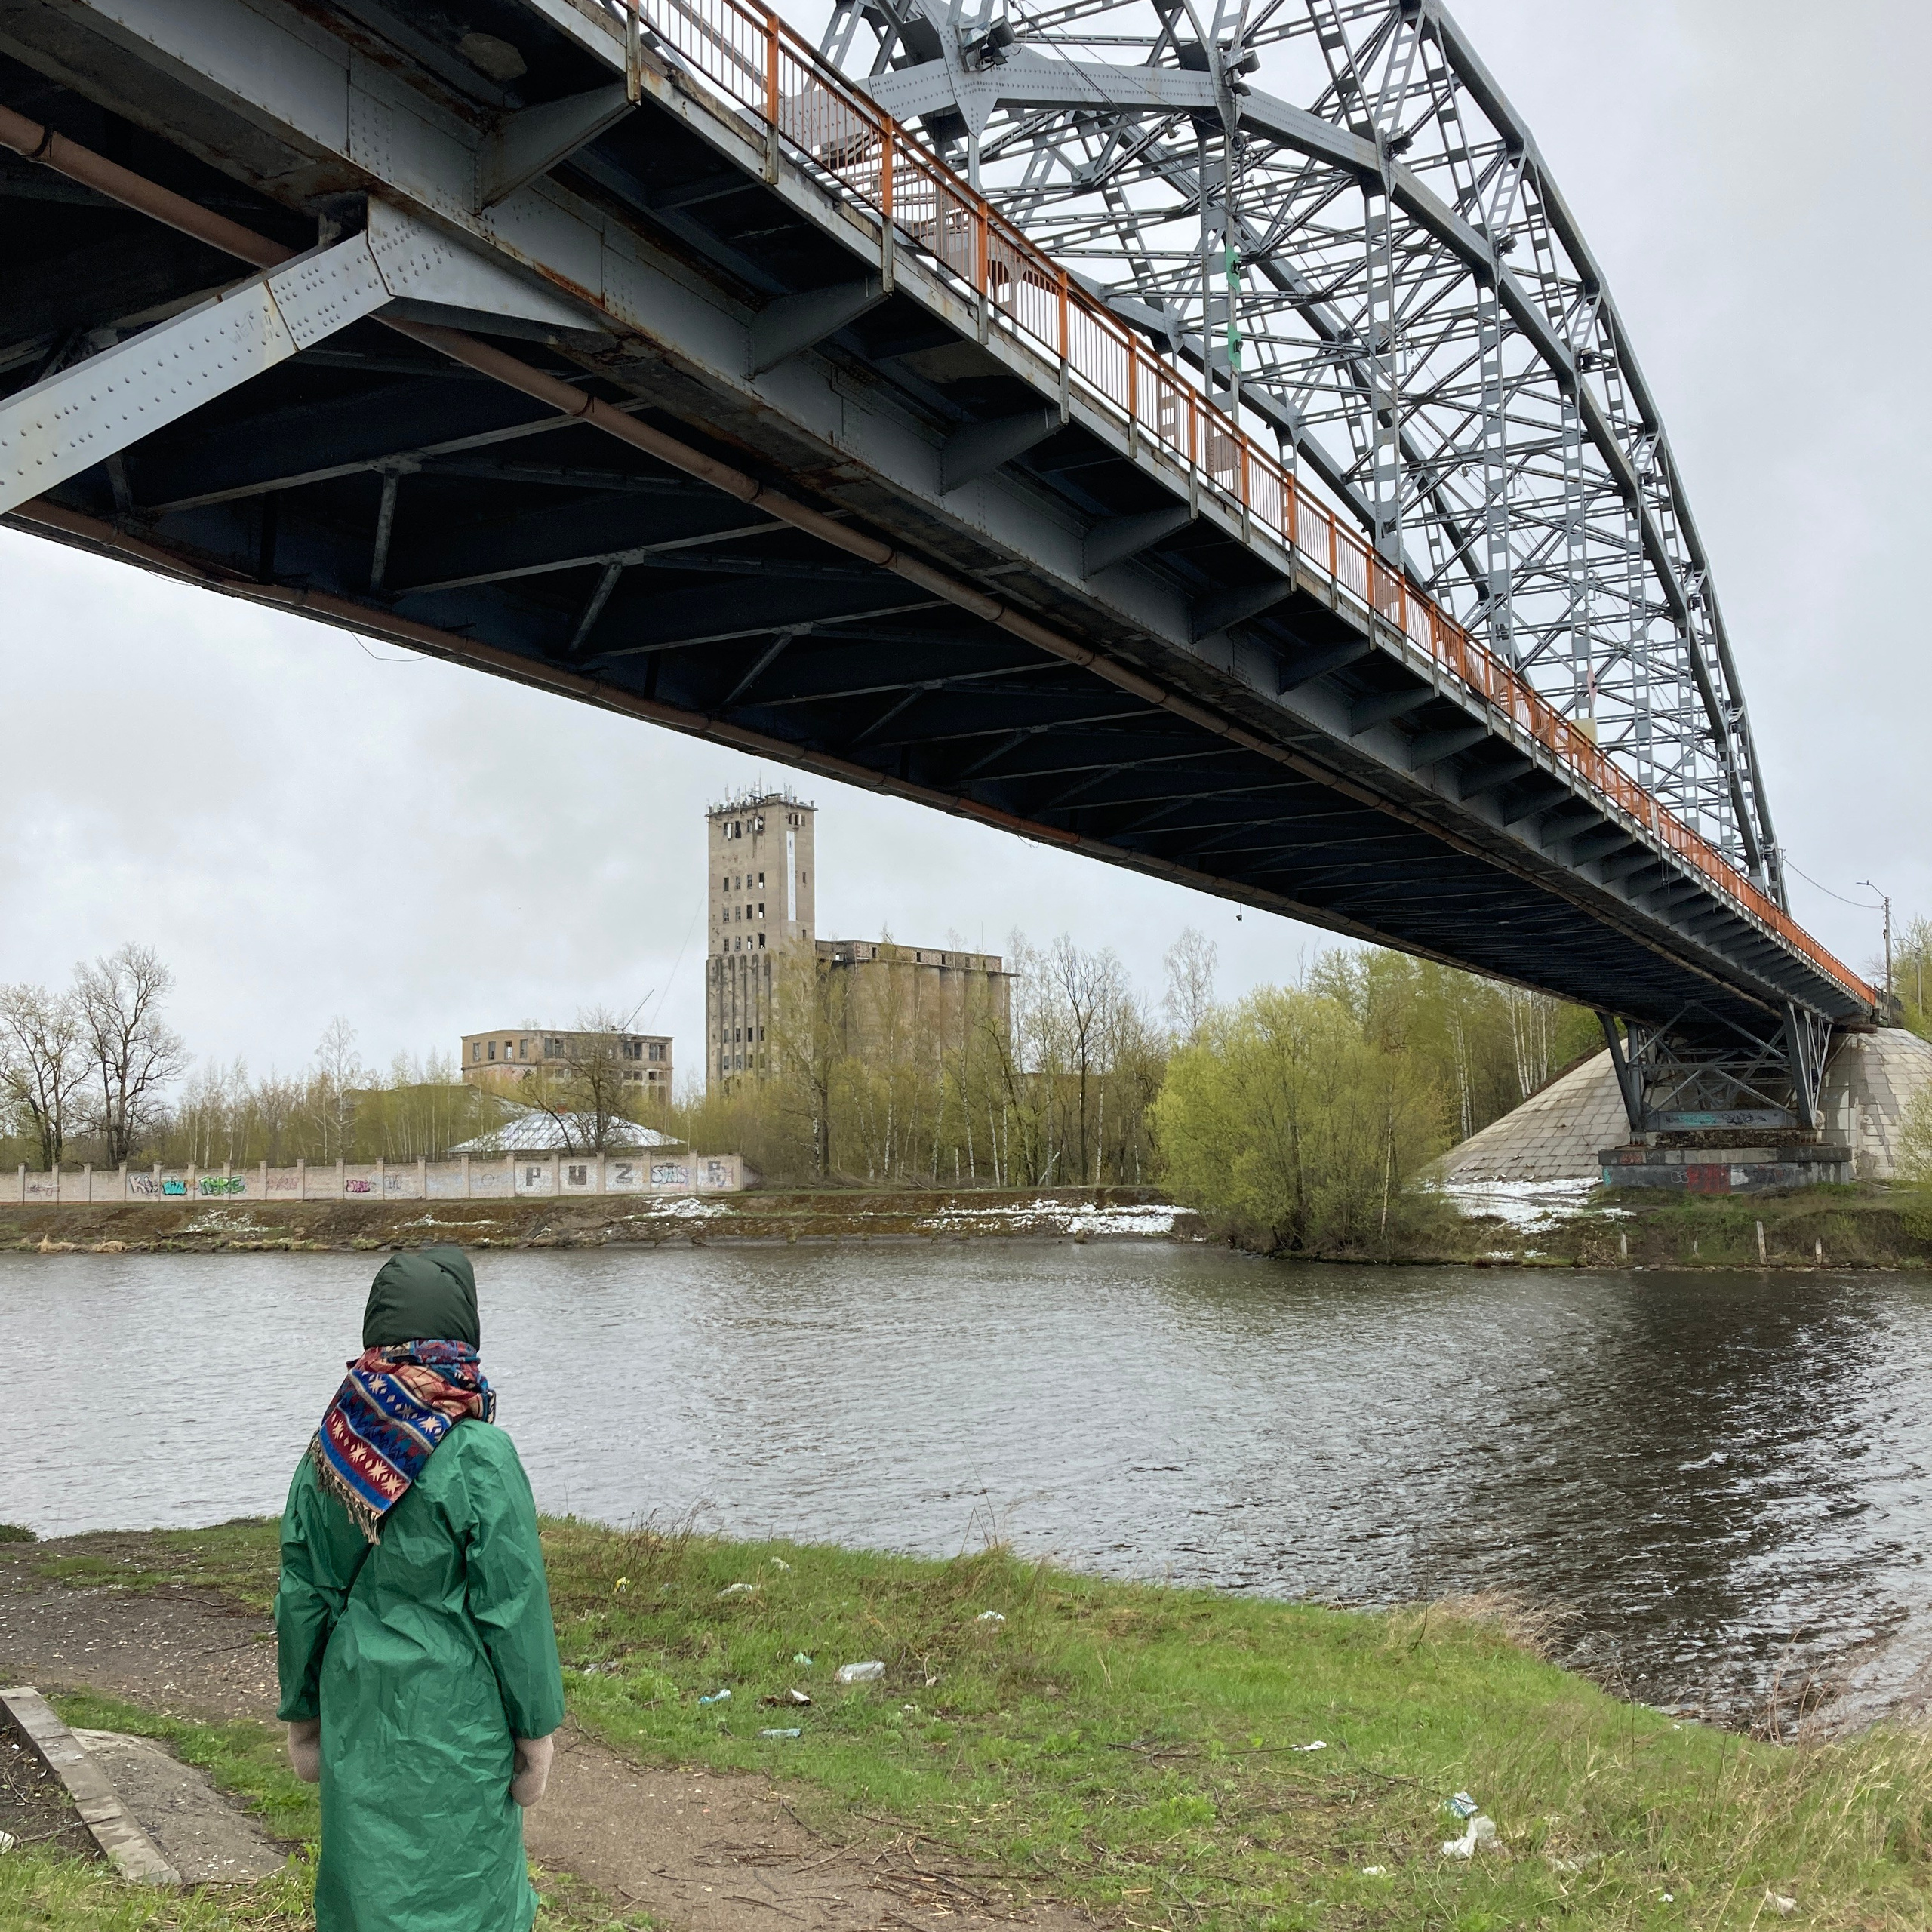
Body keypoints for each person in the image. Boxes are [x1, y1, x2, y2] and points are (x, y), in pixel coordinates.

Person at [275, 1247, 564, 1932]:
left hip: (359, 1704)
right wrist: (535, 1733)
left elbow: (304, 1590)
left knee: (367, 1887)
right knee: (468, 1889)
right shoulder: (481, 1455)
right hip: (459, 1717)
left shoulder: (332, 1448)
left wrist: (303, 1716)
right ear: (465, 1334)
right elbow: (514, 1606)